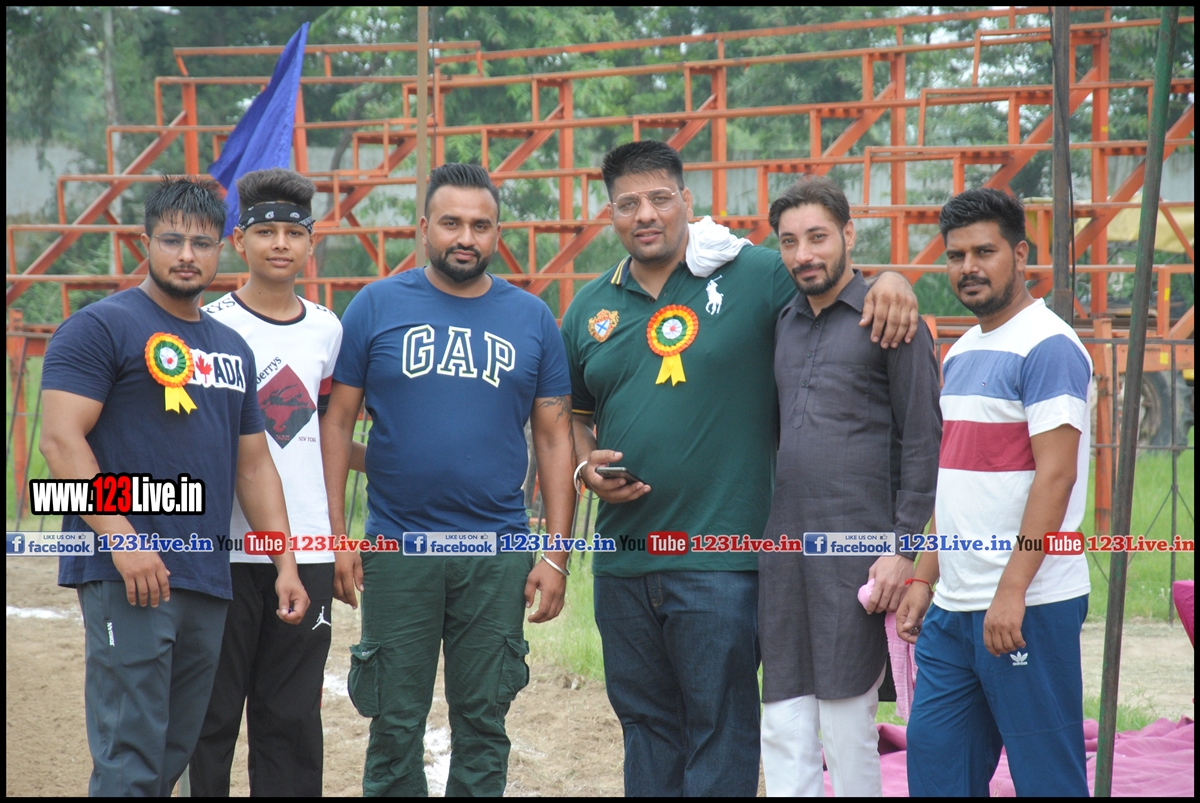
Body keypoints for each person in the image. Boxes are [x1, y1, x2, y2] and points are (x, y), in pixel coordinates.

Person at [561, 140, 920, 797]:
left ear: (686, 201)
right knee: (644, 728)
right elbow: (574, 417)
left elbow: (828, 275)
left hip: (723, 559)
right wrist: (585, 465)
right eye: (628, 203)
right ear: (609, 213)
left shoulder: (752, 273)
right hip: (623, 561)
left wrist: (891, 279)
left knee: (720, 729)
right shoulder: (588, 307)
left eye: (660, 198)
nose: (646, 214)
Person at [38, 176, 309, 797]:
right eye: (172, 240)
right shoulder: (99, 328)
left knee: (172, 754)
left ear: (220, 250)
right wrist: (124, 541)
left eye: (202, 243)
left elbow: (254, 467)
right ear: (146, 243)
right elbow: (60, 442)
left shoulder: (231, 348)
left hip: (205, 578)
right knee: (130, 754)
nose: (187, 255)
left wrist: (285, 563)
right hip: (126, 573)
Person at [321, 163, 576, 797]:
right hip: (397, 548)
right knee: (393, 722)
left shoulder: (532, 318)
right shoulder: (376, 305)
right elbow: (337, 424)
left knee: (485, 722)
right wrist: (337, 536)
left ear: (497, 233)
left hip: (496, 550)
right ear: (424, 227)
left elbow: (554, 439)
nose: (466, 237)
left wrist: (556, 555)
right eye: (451, 223)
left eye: (481, 225)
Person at [896, 188, 1093, 797]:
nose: (969, 267)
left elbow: (1056, 476)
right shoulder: (959, 352)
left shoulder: (1049, 346)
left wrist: (1012, 590)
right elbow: (954, 482)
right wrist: (924, 577)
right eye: (956, 256)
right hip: (953, 609)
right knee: (937, 770)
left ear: (1021, 254)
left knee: (1047, 778)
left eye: (985, 251)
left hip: (1029, 605)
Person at [756, 175, 942, 796]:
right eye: (789, 241)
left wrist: (904, 548)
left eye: (817, 237)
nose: (804, 254)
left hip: (859, 554)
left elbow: (924, 441)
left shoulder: (888, 318)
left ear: (849, 235)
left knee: (845, 724)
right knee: (783, 722)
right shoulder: (781, 321)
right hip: (785, 553)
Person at [189, 168, 364, 796]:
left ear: (311, 243)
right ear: (239, 241)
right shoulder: (206, 325)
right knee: (210, 717)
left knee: (290, 719)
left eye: (294, 232)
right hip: (223, 551)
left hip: (307, 549)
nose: (280, 244)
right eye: (266, 232)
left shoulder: (328, 329)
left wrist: (339, 539)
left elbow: (326, 435)